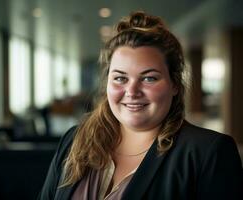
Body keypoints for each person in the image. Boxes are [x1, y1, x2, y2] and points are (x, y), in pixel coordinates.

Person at [38, 11, 243, 200]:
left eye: (149, 78)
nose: (132, 91)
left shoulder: (208, 153)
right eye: (120, 78)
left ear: (174, 85)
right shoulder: (75, 141)